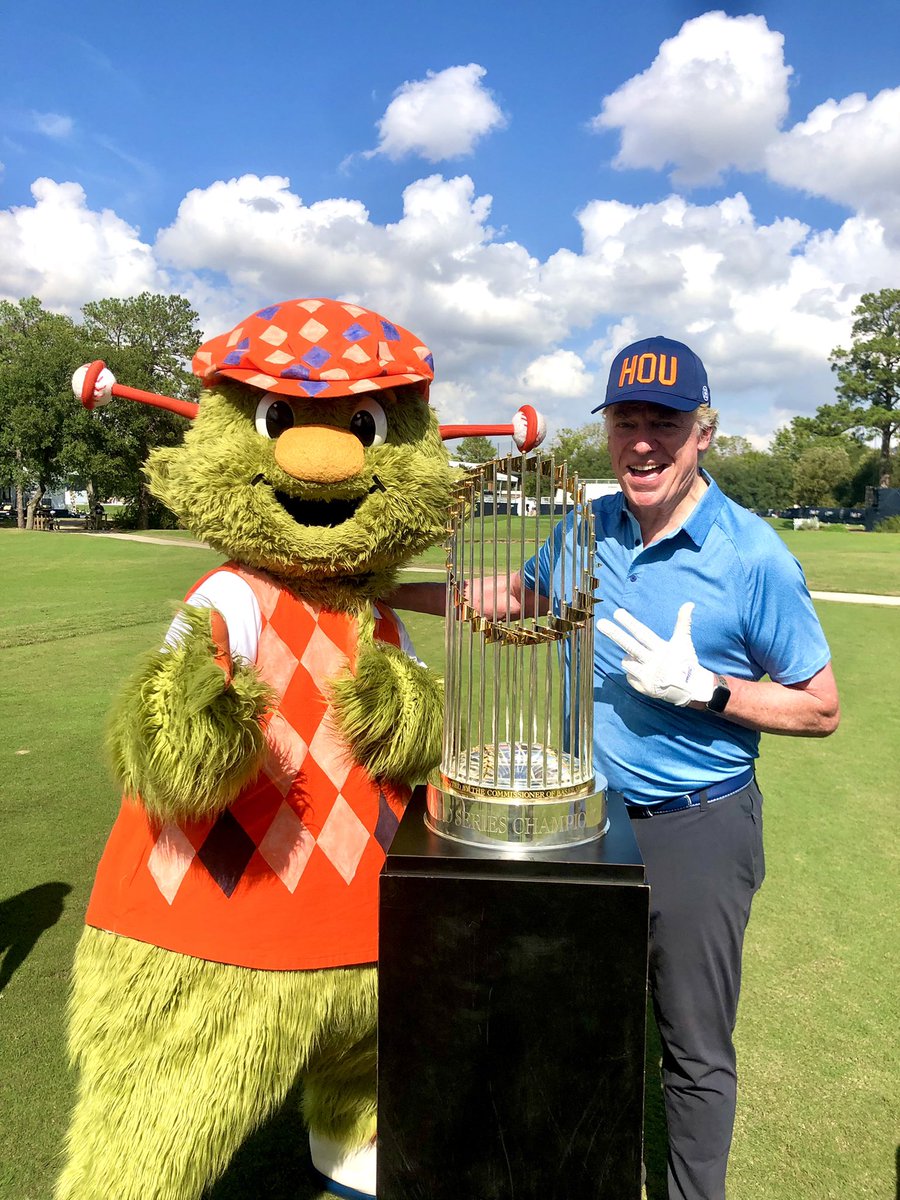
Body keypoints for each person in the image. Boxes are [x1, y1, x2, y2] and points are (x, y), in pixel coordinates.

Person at [390, 334, 840, 1200]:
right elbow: (512, 600)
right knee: (571, 1018)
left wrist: (705, 690)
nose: (642, 440)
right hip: (586, 822)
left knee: (693, 1045)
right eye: (626, 419)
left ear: (702, 432)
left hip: (695, 826)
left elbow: (819, 707)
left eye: (663, 422)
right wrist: (372, 587)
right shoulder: (584, 528)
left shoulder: (750, 555)